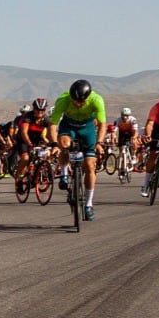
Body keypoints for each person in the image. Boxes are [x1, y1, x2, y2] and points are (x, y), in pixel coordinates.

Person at [51, 79, 106, 219]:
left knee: (89, 165)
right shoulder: (63, 100)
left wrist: (99, 142)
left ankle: (88, 204)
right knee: (64, 144)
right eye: (75, 101)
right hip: (68, 126)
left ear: (88, 97)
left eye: (81, 102)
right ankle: (64, 173)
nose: (78, 104)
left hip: (87, 128)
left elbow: (102, 125)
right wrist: (54, 144)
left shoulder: (97, 100)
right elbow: (52, 124)